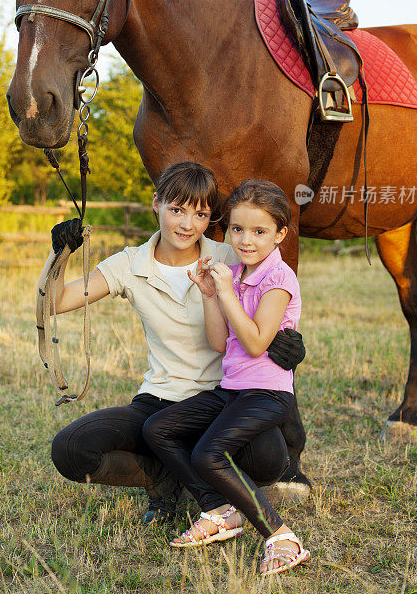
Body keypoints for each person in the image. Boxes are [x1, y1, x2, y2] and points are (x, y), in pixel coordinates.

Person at [46, 162, 305, 525]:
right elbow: (56, 303)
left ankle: (197, 477)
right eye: (176, 210)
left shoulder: (232, 253)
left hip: (221, 399)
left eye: (200, 214)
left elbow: (271, 297)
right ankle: (170, 477)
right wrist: (60, 254)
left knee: (269, 460)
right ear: (156, 203)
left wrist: (289, 341)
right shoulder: (128, 263)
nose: (187, 224)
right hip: (160, 400)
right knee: (71, 449)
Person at [142, 179, 310, 576]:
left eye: (259, 231)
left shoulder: (278, 280)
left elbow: (254, 343)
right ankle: (219, 511)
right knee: (158, 428)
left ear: (280, 234)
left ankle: (282, 537)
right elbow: (220, 342)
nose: (246, 240)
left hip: (267, 394)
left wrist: (228, 293)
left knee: (207, 453)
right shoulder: (233, 274)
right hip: (232, 390)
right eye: (237, 229)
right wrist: (208, 293)